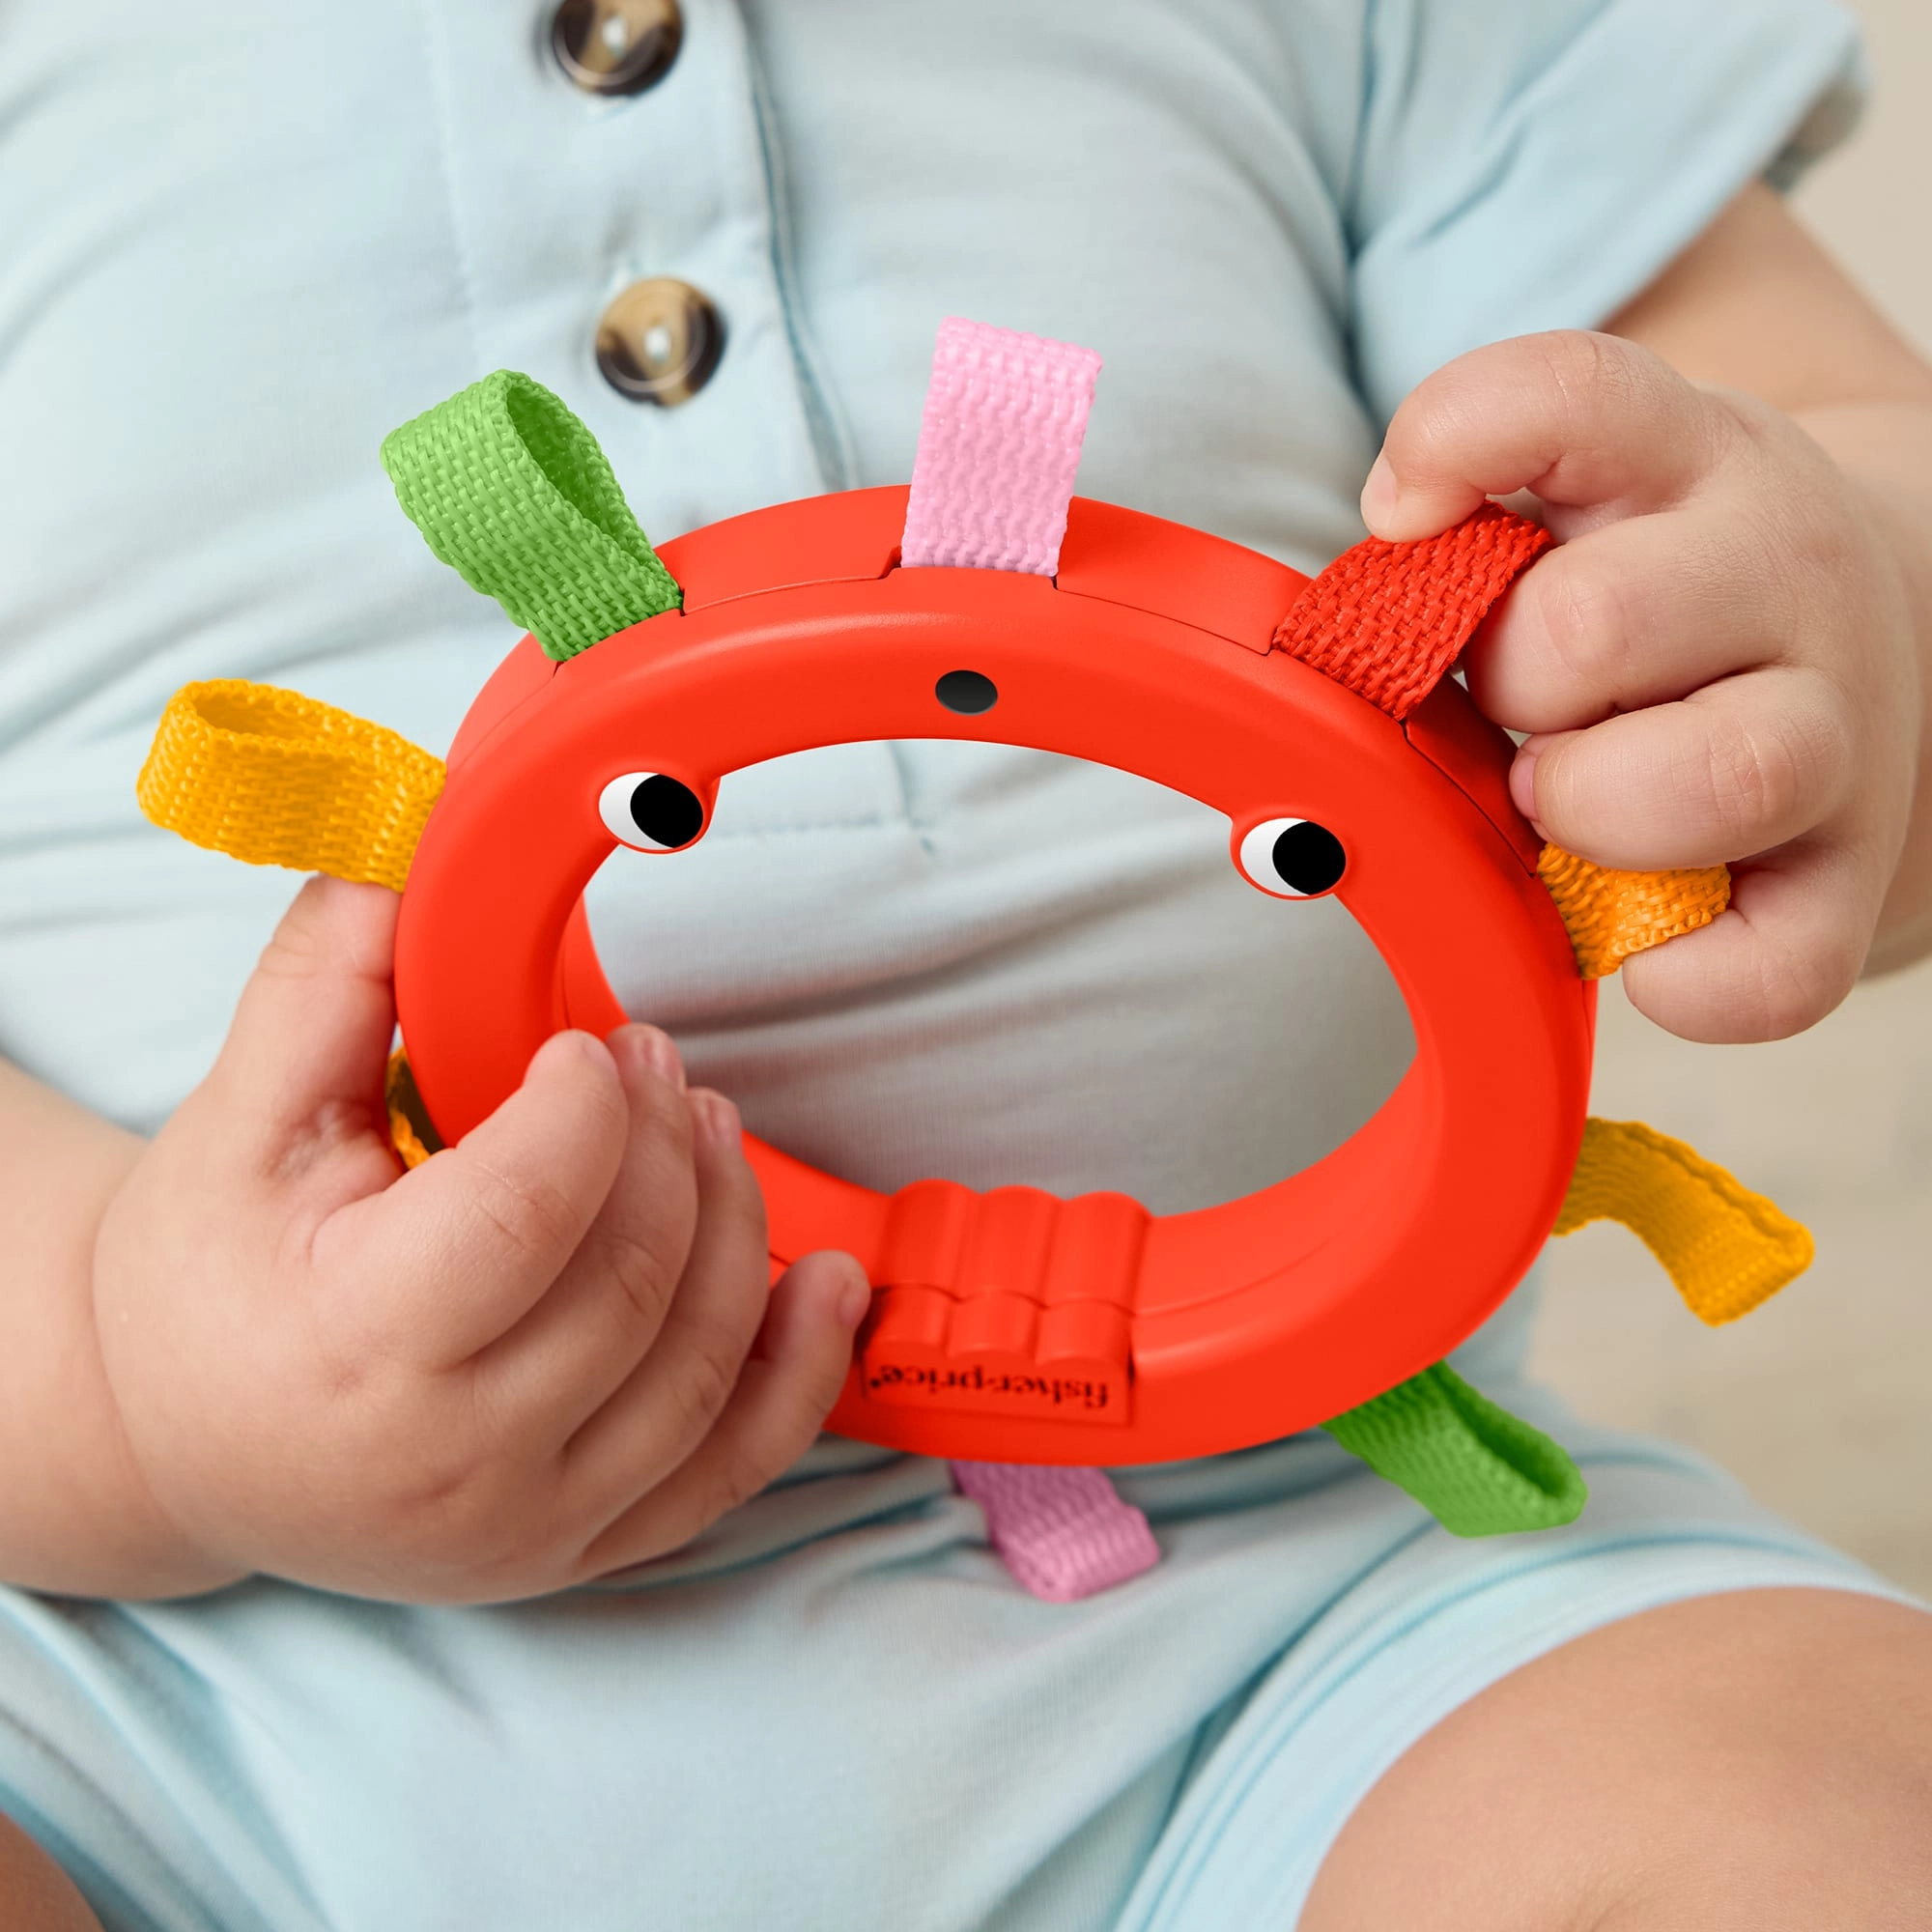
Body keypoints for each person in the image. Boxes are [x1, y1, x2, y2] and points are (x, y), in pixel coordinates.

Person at [3, 2, 1930, 1925]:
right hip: (183, 1695)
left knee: (1813, 1810)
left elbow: (1838, 466)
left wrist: (1831, 637)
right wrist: (127, 1382)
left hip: (1311, 1602)